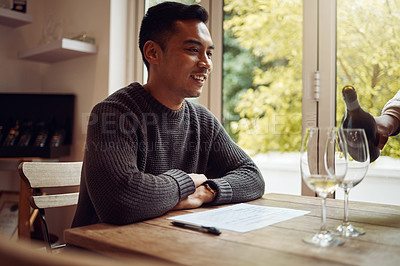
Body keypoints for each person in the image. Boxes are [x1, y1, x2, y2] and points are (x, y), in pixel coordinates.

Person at [72, 2, 265, 227]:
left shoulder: (203, 120)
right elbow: (121, 201)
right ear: (153, 52)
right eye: (193, 50)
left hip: (166, 243)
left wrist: (206, 192)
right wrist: (189, 182)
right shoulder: (113, 114)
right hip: (98, 255)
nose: (207, 63)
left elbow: (252, 177)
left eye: (209, 52)